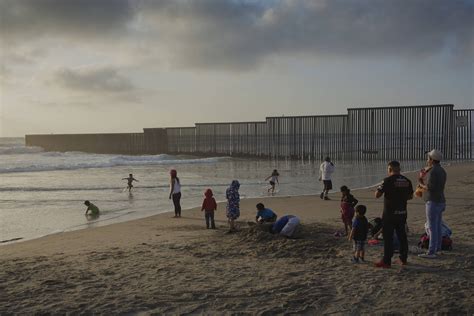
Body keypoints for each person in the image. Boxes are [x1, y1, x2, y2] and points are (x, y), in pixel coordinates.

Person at [374, 160, 413, 268]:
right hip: (402, 213)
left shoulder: (387, 180)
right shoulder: (407, 181)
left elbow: (377, 195)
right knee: (402, 236)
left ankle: (386, 261)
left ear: (390, 169)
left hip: (389, 214)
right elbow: (410, 196)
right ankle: (403, 258)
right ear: (399, 169)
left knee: (388, 238)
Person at [418, 149, 447, 259]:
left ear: (431, 160)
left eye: (428, 158)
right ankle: (438, 248)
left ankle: (431, 251)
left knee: (432, 227)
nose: (427, 160)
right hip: (441, 201)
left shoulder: (433, 171)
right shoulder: (442, 170)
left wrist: (421, 182)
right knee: (438, 226)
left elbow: (430, 187)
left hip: (433, 201)